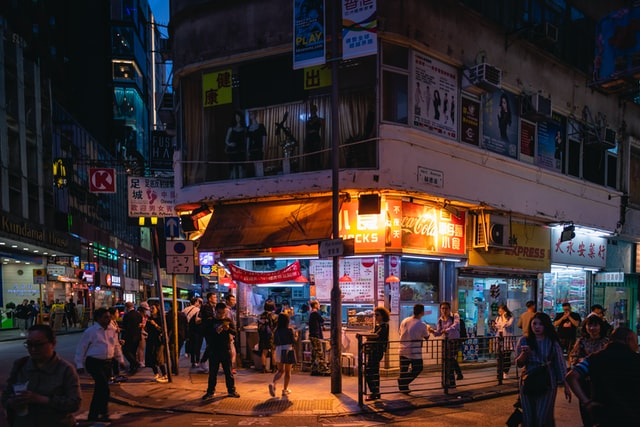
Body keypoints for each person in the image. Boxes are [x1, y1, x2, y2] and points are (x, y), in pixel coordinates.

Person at [2, 324, 81, 427]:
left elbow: (74, 403)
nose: (33, 349)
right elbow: (5, 396)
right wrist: (12, 401)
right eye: (29, 344)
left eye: (39, 345)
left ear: (53, 343)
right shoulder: (20, 365)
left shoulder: (65, 369)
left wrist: (41, 399)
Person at [565, 327, 640, 427]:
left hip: (603, 414)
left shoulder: (594, 358)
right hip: (632, 415)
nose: (637, 346)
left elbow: (571, 376)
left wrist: (586, 402)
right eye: (636, 342)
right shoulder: (636, 360)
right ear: (628, 340)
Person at [515, 312, 571, 427]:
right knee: (528, 416)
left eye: (540, 324)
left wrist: (566, 384)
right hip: (528, 380)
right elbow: (519, 363)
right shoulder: (524, 340)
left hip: (547, 381)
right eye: (534, 323)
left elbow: (560, 364)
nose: (537, 327)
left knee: (542, 416)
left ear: (546, 325)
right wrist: (525, 354)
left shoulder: (552, 342)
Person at [74, 307, 126, 423]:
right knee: (102, 387)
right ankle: (95, 414)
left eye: (109, 317)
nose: (108, 319)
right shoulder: (91, 331)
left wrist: (120, 359)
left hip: (107, 363)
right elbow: (81, 348)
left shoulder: (112, 330)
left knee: (102, 388)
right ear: (98, 318)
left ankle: (101, 412)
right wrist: (79, 365)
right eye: (105, 317)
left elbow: (116, 345)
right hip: (94, 362)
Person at [568, 313, 609, 427]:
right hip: (584, 380)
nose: (592, 328)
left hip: (602, 382)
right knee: (586, 412)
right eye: (589, 325)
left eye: (595, 325)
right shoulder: (581, 342)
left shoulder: (607, 342)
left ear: (600, 327)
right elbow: (573, 358)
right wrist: (579, 361)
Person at [201, 302, 240, 400]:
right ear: (215, 311)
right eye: (219, 313)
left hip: (225, 349)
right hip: (214, 349)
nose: (221, 315)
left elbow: (235, 332)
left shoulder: (228, 320)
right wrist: (215, 331)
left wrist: (228, 329)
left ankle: (231, 390)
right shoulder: (211, 321)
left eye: (223, 313)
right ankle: (210, 391)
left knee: (228, 372)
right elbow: (205, 332)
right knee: (213, 373)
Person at [397, 304, 430, 392]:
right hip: (414, 351)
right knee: (418, 368)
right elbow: (426, 337)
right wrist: (428, 328)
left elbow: (400, 332)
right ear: (422, 312)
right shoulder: (422, 324)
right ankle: (403, 382)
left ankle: (403, 387)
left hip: (402, 348)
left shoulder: (405, 320)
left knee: (403, 370)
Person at [429, 301, 462, 388]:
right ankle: (449, 382)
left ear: (449, 309)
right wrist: (433, 331)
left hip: (454, 341)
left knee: (450, 361)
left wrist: (446, 330)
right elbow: (439, 332)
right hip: (445, 342)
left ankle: (451, 381)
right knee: (446, 362)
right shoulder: (440, 320)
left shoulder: (454, 316)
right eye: (442, 308)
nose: (444, 310)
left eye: (446, 308)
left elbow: (456, 325)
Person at [363, 307, 390, 401]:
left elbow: (376, 336)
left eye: (377, 315)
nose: (376, 317)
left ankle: (374, 392)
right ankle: (376, 392)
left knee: (369, 371)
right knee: (374, 371)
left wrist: (365, 335)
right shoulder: (380, 326)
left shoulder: (384, 326)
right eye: (375, 315)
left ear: (383, 316)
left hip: (376, 351)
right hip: (375, 350)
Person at [269, 312, 298, 397]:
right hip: (287, 350)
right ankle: (285, 390)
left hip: (278, 350)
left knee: (280, 371)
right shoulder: (290, 330)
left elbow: (274, 342)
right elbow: (293, 341)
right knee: (288, 371)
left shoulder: (276, 330)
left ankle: (273, 383)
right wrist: (296, 335)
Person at [145, 303, 168, 383]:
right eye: (150, 309)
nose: (151, 310)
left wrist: (155, 325)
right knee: (151, 357)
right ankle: (156, 373)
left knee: (159, 358)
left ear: (157, 309)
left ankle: (165, 375)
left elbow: (163, 330)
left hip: (158, 341)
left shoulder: (161, 319)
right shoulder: (149, 319)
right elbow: (147, 330)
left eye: (153, 308)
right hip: (151, 340)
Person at [308, 299, 330, 375]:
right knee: (319, 353)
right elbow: (321, 320)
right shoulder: (315, 313)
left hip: (312, 335)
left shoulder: (312, 313)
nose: (319, 305)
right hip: (315, 336)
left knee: (314, 354)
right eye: (318, 304)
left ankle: (314, 370)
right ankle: (324, 370)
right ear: (315, 305)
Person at [198, 292, 218, 372]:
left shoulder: (212, 307)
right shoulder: (207, 307)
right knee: (211, 346)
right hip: (208, 330)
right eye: (214, 297)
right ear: (210, 299)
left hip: (210, 330)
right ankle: (203, 361)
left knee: (211, 346)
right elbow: (209, 318)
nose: (216, 299)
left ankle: (205, 362)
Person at [121, 301, 143, 375]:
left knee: (126, 351)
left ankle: (134, 363)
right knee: (133, 351)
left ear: (127, 307)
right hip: (137, 336)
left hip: (129, 336)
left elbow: (125, 328)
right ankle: (133, 367)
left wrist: (123, 338)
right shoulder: (138, 315)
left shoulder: (127, 316)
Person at [166, 305, 188, 375]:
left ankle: (174, 366)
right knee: (177, 351)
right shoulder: (182, 315)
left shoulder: (168, 315)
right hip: (181, 335)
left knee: (172, 351)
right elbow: (186, 326)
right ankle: (175, 365)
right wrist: (187, 336)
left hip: (171, 335)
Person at [494, 304, 514, 379]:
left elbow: (507, 325)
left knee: (507, 356)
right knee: (500, 356)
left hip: (507, 339)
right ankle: (500, 372)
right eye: (499, 311)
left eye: (501, 311)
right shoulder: (498, 318)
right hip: (499, 338)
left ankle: (506, 372)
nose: (500, 312)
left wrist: (504, 317)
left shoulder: (510, 317)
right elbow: (497, 326)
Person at [257, 299, 278, 373]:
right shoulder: (275, 316)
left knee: (264, 352)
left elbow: (259, 326)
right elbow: (276, 327)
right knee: (273, 351)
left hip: (263, 336)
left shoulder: (261, 316)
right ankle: (274, 368)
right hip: (272, 336)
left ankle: (263, 368)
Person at [225, 110, 247, 179]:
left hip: (241, 150)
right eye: (236, 117)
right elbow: (226, 140)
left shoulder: (244, 129)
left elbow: (246, 140)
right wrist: (230, 144)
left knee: (241, 167)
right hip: (233, 151)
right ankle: (233, 184)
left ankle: (241, 184)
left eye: (238, 117)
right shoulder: (231, 128)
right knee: (233, 168)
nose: (237, 118)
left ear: (241, 118)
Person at [184, 297, 203, 368]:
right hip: (196, 330)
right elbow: (197, 321)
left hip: (188, 329)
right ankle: (197, 361)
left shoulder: (185, 309)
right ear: (196, 302)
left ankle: (192, 360)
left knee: (191, 344)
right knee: (197, 346)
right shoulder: (197, 310)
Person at [304, 104, 324, 171]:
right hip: (309, 139)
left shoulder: (318, 120)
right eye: (311, 110)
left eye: (313, 109)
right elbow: (307, 131)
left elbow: (319, 128)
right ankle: (312, 170)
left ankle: (318, 169)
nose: (312, 111)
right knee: (311, 157)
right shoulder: (308, 120)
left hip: (315, 139)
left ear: (316, 110)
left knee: (317, 156)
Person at [246, 110, 267, 177]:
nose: (251, 115)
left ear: (255, 114)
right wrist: (247, 150)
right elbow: (248, 139)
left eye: (252, 114)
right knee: (255, 164)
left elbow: (264, 136)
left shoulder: (261, 126)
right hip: (252, 148)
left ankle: (261, 177)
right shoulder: (248, 128)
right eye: (250, 114)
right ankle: (257, 177)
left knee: (260, 163)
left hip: (259, 147)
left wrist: (263, 146)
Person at [136, 302, 150, 368]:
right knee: (140, 348)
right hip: (140, 332)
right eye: (145, 309)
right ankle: (140, 361)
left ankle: (141, 360)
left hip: (144, 332)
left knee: (142, 347)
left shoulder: (146, 315)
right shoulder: (138, 315)